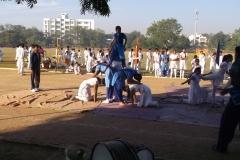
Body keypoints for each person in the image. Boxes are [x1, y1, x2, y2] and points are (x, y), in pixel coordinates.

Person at [213, 46, 240, 153]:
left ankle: (221, 146)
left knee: (227, 122)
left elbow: (236, 82)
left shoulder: (236, 66)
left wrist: (228, 89)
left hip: (237, 99)